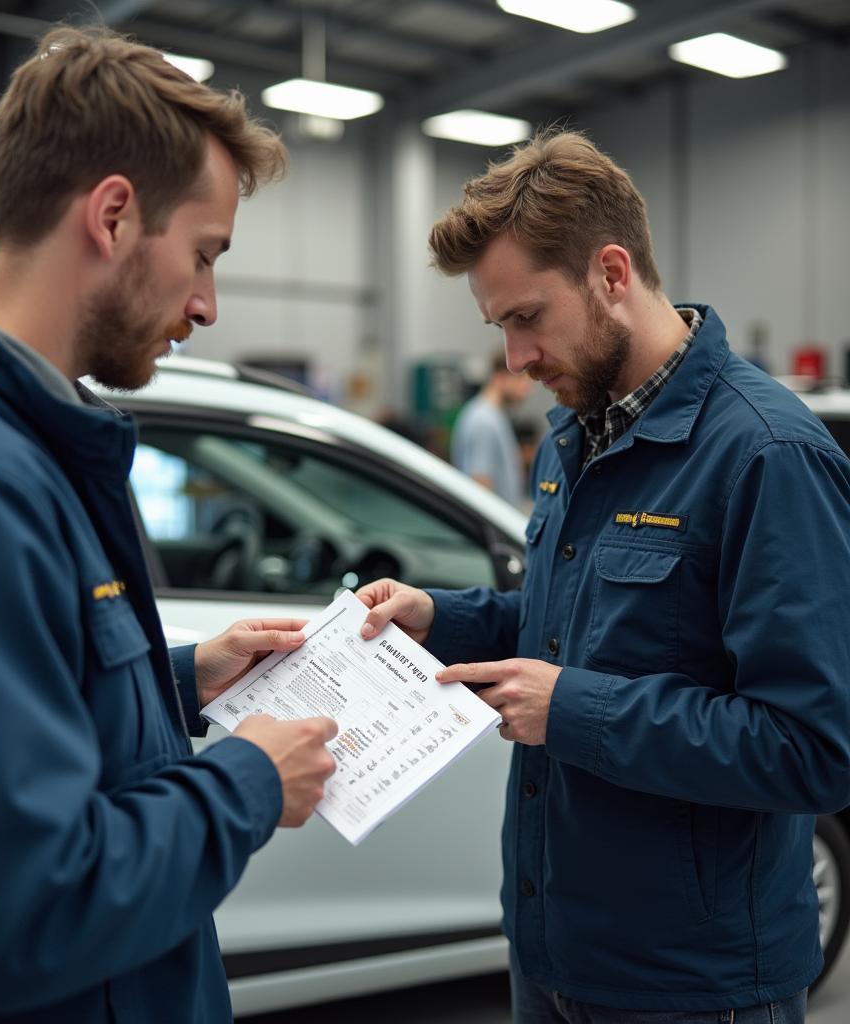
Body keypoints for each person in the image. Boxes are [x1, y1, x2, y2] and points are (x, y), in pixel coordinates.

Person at [0, 26, 339, 1024]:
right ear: (111, 215)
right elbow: (26, 910)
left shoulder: (11, 445)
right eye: (202, 254)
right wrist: (245, 782)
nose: (206, 303)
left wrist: (178, 677)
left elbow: (20, 712)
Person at [356, 130, 850, 1023]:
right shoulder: (577, 432)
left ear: (612, 275)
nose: (513, 359)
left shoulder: (766, 457)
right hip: (550, 953)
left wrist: (573, 710)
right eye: (498, 325)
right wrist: (444, 619)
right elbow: (570, 630)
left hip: (691, 989)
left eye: (526, 317)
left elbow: (814, 749)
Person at [450, 350, 531, 506]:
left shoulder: (495, 416)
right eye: (521, 379)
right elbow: (481, 484)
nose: (526, 389)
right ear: (500, 377)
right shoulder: (483, 420)